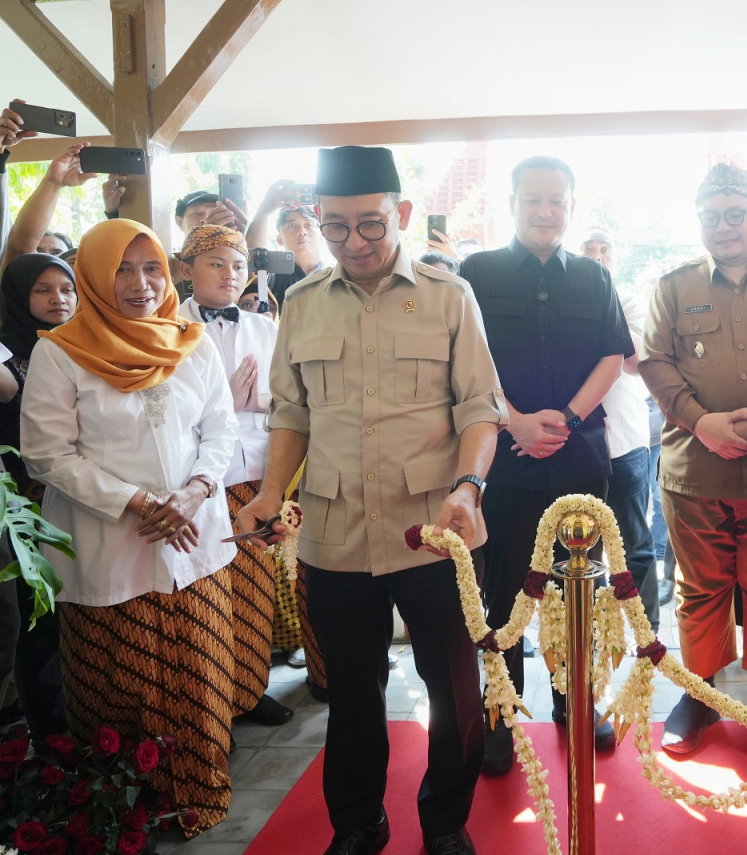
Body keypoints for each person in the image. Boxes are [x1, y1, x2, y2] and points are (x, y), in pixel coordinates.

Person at [234, 145, 503, 855]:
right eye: (337, 227)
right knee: (351, 693)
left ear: (402, 213)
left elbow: (481, 406)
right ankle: (358, 823)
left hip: (436, 528)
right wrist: (268, 492)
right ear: (318, 223)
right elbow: (290, 412)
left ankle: (445, 820)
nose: (354, 242)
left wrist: (469, 488)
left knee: (455, 691)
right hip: (335, 529)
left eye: (371, 225)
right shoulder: (301, 301)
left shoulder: (449, 296)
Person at [21, 218, 240, 834]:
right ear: (91, 274)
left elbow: (220, 429)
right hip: (110, 545)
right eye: (120, 268)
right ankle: (126, 817)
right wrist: (139, 502)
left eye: (150, 268)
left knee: (199, 674)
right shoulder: (59, 351)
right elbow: (47, 455)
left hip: (196, 540)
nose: (139, 283)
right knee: (120, 683)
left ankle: (199, 794)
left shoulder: (190, 341)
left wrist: (195, 491)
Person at [460, 156, 630, 774]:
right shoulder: (474, 272)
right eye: (533, 200)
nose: (545, 211)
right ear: (512, 202)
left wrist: (567, 420)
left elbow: (613, 355)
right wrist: (517, 422)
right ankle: (501, 713)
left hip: (579, 465)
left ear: (571, 206)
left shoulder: (593, 276)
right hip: (504, 464)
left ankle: (576, 702)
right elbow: (467, 363)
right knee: (502, 597)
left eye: (556, 201)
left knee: (576, 595)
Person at [640, 163, 747, 753]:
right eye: (711, 217)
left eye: (736, 214)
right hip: (696, 467)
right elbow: (654, 362)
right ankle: (701, 696)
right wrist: (701, 420)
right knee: (699, 588)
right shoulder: (674, 285)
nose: (725, 227)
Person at [176, 224, 295, 729]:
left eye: (239, 266)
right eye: (216, 264)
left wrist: (255, 400)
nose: (230, 275)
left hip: (258, 476)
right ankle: (213, 702)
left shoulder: (266, 328)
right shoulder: (169, 332)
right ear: (186, 272)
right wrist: (223, 397)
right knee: (209, 592)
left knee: (254, 589)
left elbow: (292, 400)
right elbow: (165, 411)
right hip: (198, 481)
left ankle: (250, 689)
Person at [0, 253, 76, 737]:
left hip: (80, 497)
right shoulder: (9, 350)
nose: (58, 299)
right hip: (26, 507)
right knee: (40, 617)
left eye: (66, 288)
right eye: (42, 290)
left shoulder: (85, 344)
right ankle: (54, 735)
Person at [581, 226, 660, 628]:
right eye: (588, 248)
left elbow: (633, 360)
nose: (596, 255)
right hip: (574, 444)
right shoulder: (565, 301)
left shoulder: (629, 300)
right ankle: (588, 631)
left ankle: (648, 635)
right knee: (580, 545)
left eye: (604, 249)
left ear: (617, 257)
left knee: (635, 542)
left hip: (626, 442)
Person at [1, 142, 97, 268]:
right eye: (37, 251)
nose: (46, 259)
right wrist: (54, 182)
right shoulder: (16, 283)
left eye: (57, 253)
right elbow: (21, 248)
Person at [244, 181, 331, 308]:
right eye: (291, 226)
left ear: (322, 233)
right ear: (279, 239)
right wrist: (264, 211)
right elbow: (253, 267)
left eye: (309, 225)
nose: (301, 232)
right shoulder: (273, 277)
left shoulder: (335, 278)